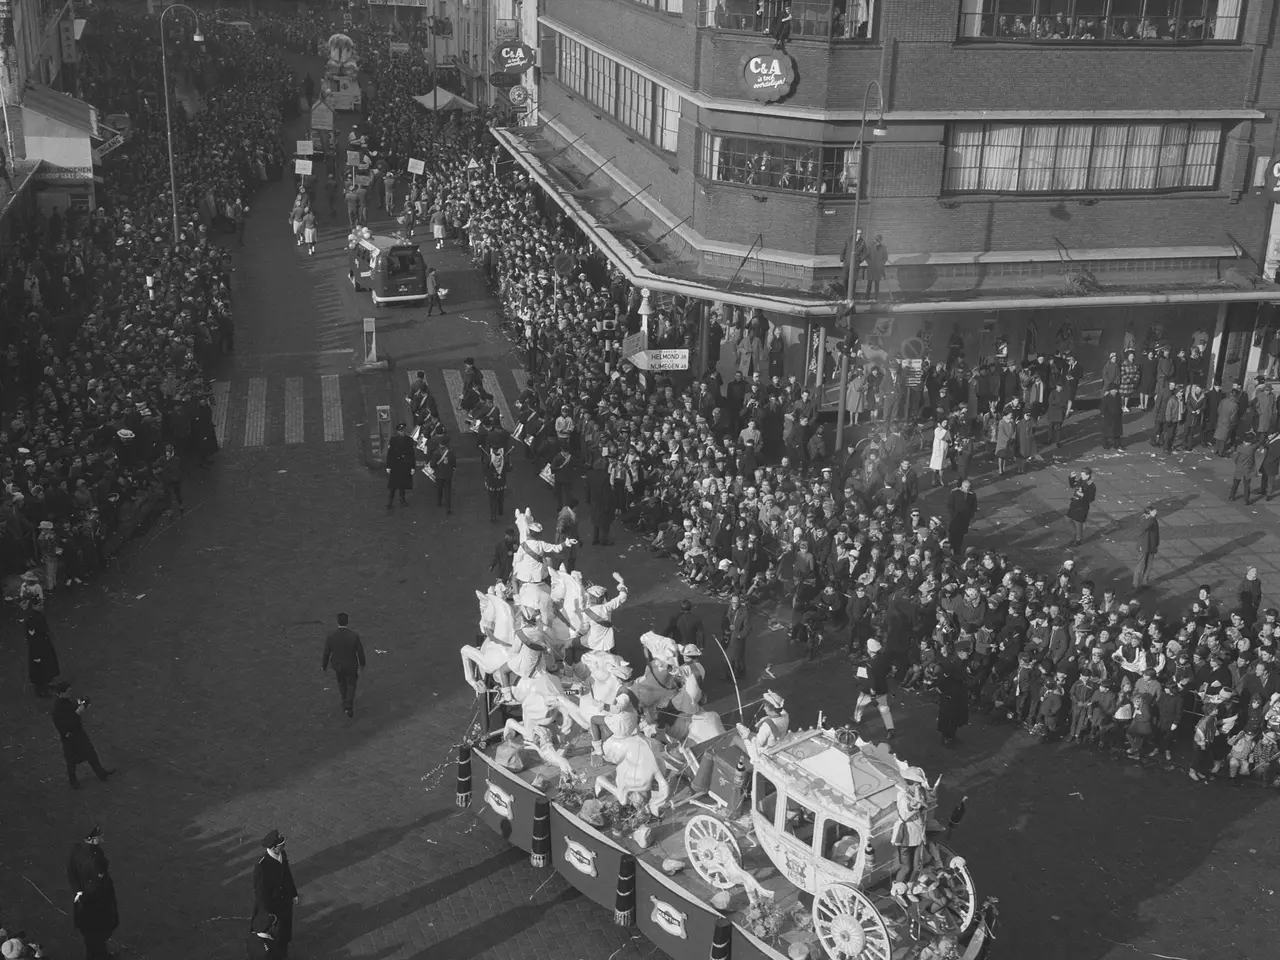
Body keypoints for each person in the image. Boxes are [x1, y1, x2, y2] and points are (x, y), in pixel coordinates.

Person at [67, 825, 119, 960]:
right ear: (91, 839)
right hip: (95, 904)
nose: (101, 838)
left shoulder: (77, 849)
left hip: (85, 903)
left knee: (91, 940)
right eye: (99, 836)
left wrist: (78, 891)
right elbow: (99, 883)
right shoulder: (95, 860)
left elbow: (71, 871)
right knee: (98, 937)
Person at [51, 682, 114, 789]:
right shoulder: (58, 709)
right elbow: (67, 723)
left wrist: (82, 702)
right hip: (70, 737)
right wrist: (78, 713)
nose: (71, 693)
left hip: (78, 733)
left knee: (90, 752)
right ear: (61, 693)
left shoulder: (66, 701)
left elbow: (74, 706)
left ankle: (101, 773)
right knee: (71, 761)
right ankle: (73, 780)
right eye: (68, 692)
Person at [252, 831, 298, 958]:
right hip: (273, 906)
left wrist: (293, 893)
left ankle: (283, 953)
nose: (283, 847)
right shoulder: (262, 866)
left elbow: (287, 874)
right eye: (281, 845)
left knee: (285, 929)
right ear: (273, 847)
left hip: (285, 901)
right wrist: (268, 911)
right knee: (275, 934)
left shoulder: (281, 854)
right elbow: (260, 892)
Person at [322, 613, 367, 718]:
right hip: (351, 666)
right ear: (347, 622)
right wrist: (362, 663)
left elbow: (326, 653)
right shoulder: (354, 636)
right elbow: (360, 651)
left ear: (337, 622)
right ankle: (349, 705)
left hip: (338, 666)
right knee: (351, 685)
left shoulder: (331, 636)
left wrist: (324, 665)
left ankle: (344, 702)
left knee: (341, 684)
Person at [26, 603, 61, 696]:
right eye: (39, 605)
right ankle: (40, 690)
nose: (42, 606)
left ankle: (47, 682)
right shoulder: (31, 619)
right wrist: (36, 654)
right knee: (39, 669)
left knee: (47, 665)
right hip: (38, 648)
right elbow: (32, 638)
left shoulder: (39, 615)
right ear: (33, 606)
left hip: (44, 645)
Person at [385, 422, 416, 508]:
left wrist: (412, 467)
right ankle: (390, 501)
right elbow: (390, 453)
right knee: (393, 485)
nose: (402, 432)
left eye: (403, 431)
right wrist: (388, 466)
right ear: (397, 431)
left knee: (403, 484)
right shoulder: (393, 440)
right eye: (400, 431)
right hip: (395, 465)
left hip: (405, 465)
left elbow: (412, 454)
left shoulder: (409, 440)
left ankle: (402, 499)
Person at [721, 593, 750, 681]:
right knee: (728, 657)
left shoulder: (744, 613)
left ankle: (738, 674)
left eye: (736, 602)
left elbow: (747, 627)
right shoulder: (728, 609)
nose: (734, 604)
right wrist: (725, 630)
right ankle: (728, 676)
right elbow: (724, 621)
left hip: (737, 640)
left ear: (739, 602)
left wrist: (740, 635)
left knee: (737, 658)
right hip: (728, 638)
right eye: (733, 602)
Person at [945, 478, 977, 554]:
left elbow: (974, 506)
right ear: (962, 486)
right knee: (952, 534)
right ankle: (950, 549)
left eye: (969, 487)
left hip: (965, 519)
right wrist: (953, 514)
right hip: (955, 518)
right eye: (966, 487)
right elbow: (950, 505)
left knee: (961, 535)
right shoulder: (955, 493)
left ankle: (957, 549)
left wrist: (970, 514)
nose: (967, 488)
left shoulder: (972, 495)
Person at [1133, 503, 1160, 591]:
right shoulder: (1143, 520)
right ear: (1149, 513)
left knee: (1149, 565)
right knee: (1140, 565)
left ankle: (1145, 581)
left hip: (1151, 545)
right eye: (1153, 511)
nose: (1155, 512)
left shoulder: (1152, 519)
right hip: (1144, 545)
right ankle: (1135, 584)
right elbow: (1146, 527)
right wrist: (1151, 517)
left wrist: (1156, 543)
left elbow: (1156, 532)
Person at [1066, 467, 1096, 546]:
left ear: (1088, 475)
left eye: (1083, 475)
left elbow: (1091, 499)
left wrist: (1083, 495)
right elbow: (1073, 485)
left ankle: (1078, 540)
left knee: (1078, 523)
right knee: (1067, 519)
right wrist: (1072, 478)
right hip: (1075, 504)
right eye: (1081, 474)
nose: (1081, 476)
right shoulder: (1081, 480)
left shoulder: (1091, 485)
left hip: (1082, 507)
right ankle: (1074, 532)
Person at [430, 434, 456, 513]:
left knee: (439, 488)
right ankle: (448, 507)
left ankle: (439, 501)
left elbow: (432, 464)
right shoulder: (450, 452)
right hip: (448, 474)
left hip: (439, 474)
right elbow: (454, 463)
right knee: (447, 490)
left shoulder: (436, 453)